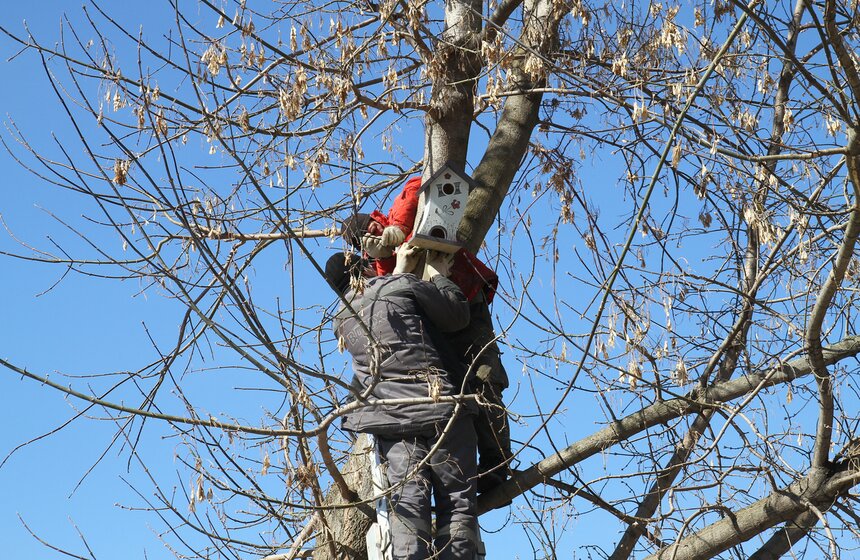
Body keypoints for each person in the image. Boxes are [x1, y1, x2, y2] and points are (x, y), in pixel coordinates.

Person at [340, 176, 512, 491]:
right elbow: (392, 299)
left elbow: (420, 182)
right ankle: (469, 474)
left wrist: (399, 227)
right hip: (438, 320)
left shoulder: (397, 214)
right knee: (460, 388)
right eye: (367, 237)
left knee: (485, 377)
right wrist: (391, 263)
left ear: (377, 218)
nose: (375, 234)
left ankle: (497, 464)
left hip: (466, 298)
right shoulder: (380, 270)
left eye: (373, 227)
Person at [327, 245, 480, 560]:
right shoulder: (402, 285)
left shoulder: (340, 320)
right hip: (440, 409)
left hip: (390, 421)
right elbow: (456, 316)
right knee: (457, 503)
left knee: (407, 508)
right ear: (364, 267)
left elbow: (377, 307)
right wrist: (440, 276)